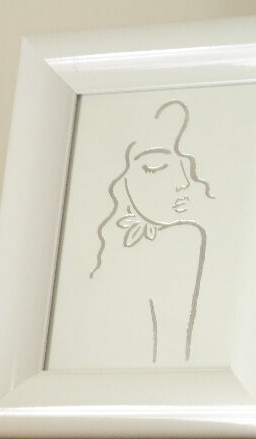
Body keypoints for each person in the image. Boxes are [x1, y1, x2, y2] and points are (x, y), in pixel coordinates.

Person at [87, 99, 218, 364]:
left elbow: (174, 359)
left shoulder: (184, 239)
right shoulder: (110, 254)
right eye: (156, 166)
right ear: (123, 177)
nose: (183, 181)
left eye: (185, 165)